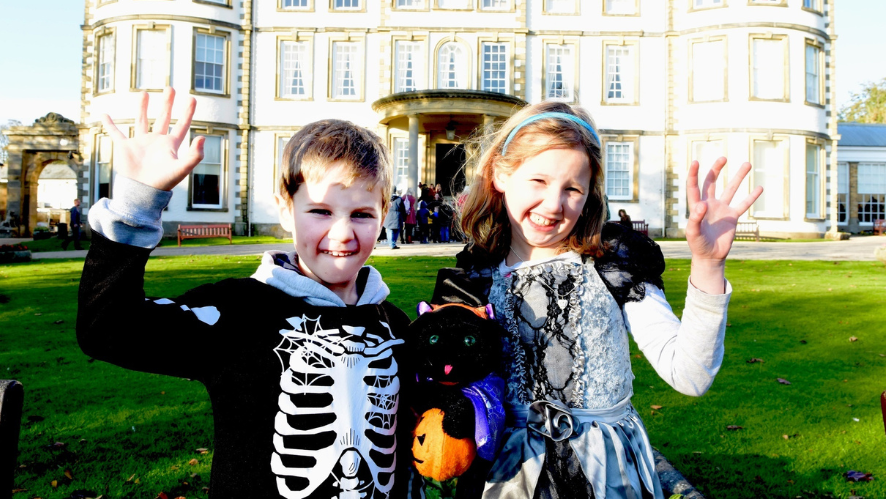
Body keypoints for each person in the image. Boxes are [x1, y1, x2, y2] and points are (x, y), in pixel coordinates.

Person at [77, 89, 410, 498]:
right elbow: (109, 328)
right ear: (285, 209)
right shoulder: (238, 313)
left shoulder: (395, 326)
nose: (341, 233)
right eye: (320, 211)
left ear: (384, 217)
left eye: (361, 215)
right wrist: (135, 206)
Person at [441, 102, 762, 498]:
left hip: (607, 476)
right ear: (501, 175)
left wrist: (709, 265)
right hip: (507, 480)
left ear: (589, 193)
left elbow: (691, 375)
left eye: (572, 188)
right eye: (538, 181)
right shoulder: (473, 279)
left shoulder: (611, 262)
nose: (554, 204)